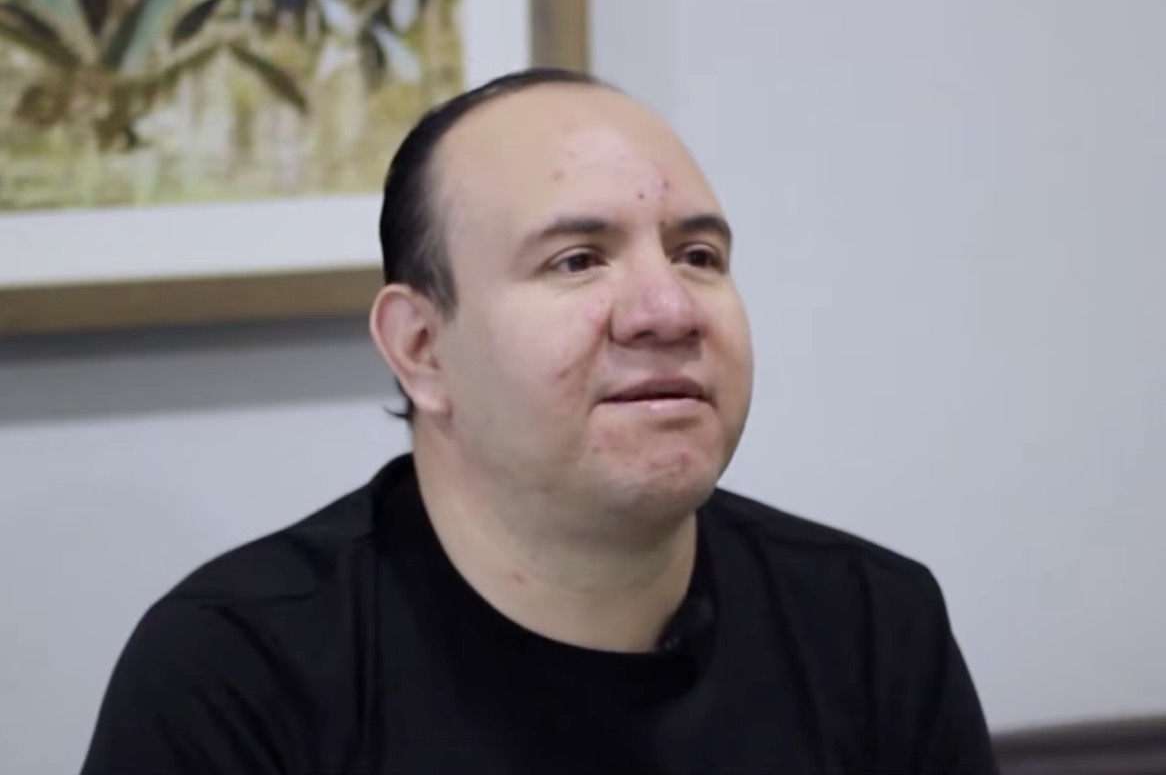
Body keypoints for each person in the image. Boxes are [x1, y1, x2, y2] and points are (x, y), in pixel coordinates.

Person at [80, 68, 1000, 774]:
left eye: (698, 254)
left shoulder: (872, 625)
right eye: (576, 260)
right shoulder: (233, 675)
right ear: (422, 349)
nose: (669, 310)